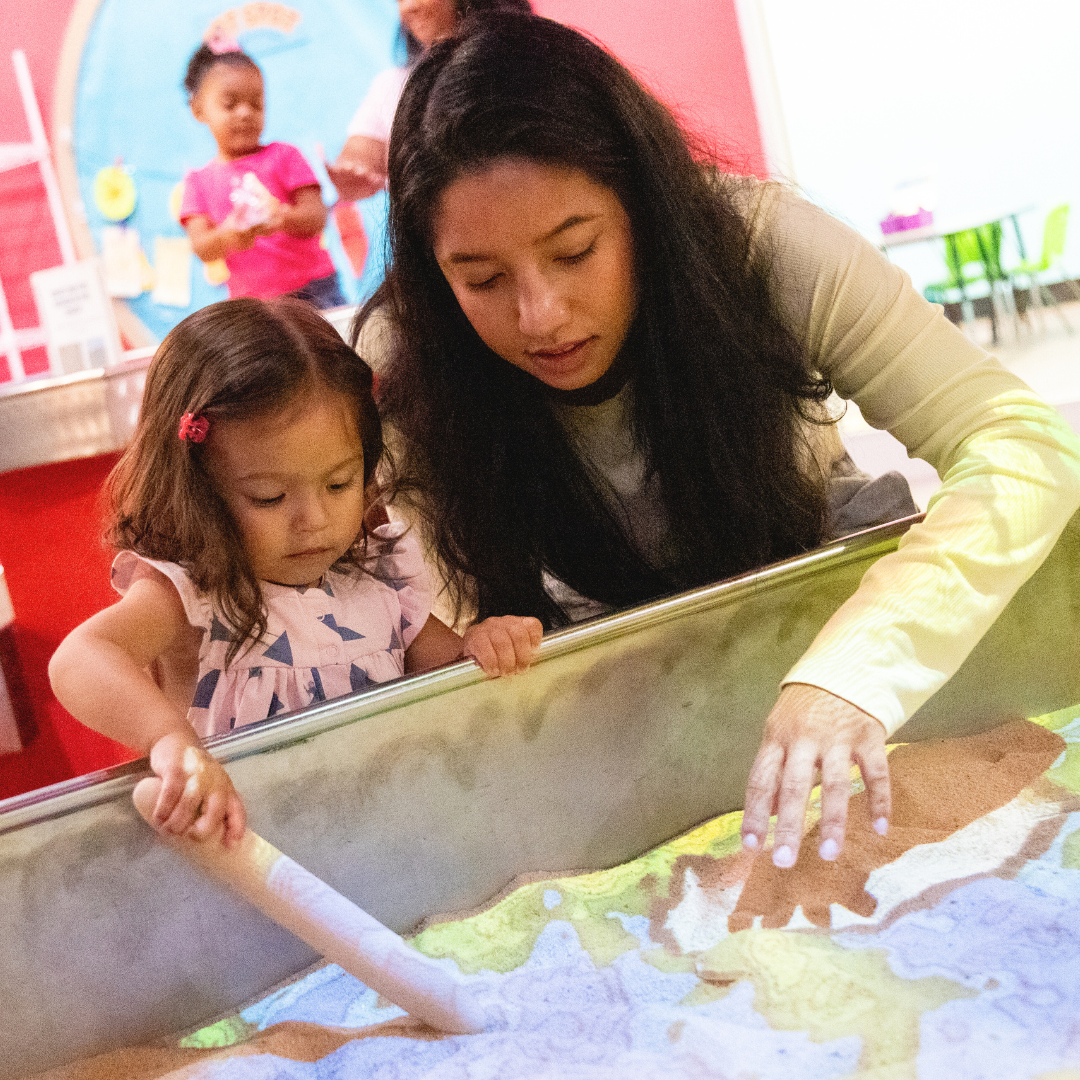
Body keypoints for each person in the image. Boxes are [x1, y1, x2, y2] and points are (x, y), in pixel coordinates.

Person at [359, 14, 1080, 870]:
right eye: (481, 280)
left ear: (646, 203)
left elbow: (1023, 442)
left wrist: (861, 666)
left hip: (815, 601)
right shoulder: (407, 361)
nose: (539, 315)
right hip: (610, 705)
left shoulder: (762, 245)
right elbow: (396, 619)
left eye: (576, 250)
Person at [48, 298, 542, 848]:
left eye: (338, 484)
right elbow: (80, 659)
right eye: (270, 497)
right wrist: (170, 740)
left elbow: (448, 679)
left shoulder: (376, 576)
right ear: (198, 494)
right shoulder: (198, 594)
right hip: (266, 870)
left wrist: (485, 644)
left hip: (395, 841)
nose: (314, 522)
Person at [180, 42, 347, 309]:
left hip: (315, 290)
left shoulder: (285, 155)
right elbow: (201, 246)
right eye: (230, 104)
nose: (245, 113)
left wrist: (280, 216)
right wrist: (228, 235)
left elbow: (317, 217)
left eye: (256, 104)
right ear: (198, 109)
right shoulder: (198, 182)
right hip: (254, 306)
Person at [326, 0, 532, 202]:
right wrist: (353, 173)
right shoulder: (393, 85)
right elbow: (359, 156)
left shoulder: (524, 69)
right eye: (400, 0)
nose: (409, 7)